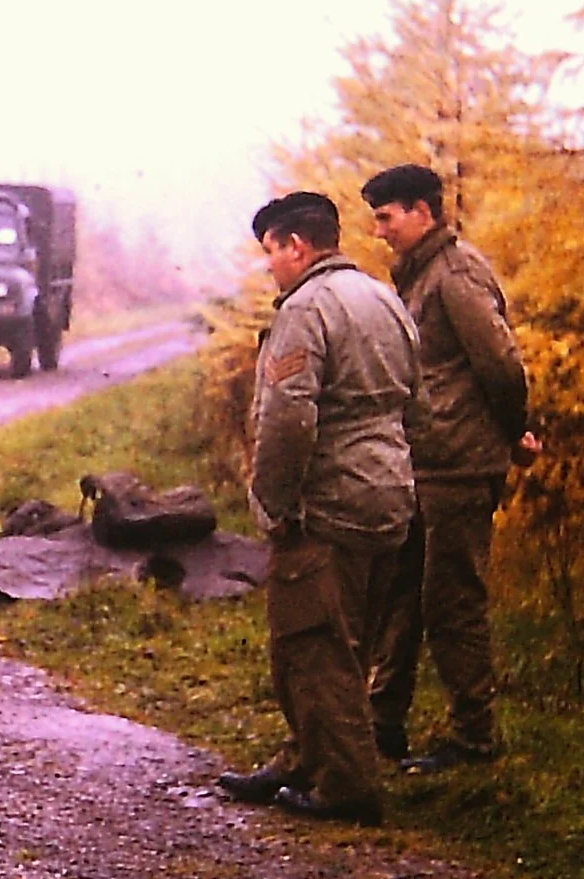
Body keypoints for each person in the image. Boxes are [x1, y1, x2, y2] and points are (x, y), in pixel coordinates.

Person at [217, 191, 419, 825]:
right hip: (389, 491)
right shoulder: (383, 297)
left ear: (296, 246)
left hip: (328, 501)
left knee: (313, 644)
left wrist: (273, 503)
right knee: (350, 637)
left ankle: (344, 785)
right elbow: (417, 391)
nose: (271, 266)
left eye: (272, 253)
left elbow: (288, 419)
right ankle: (305, 756)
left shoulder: (305, 309)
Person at [361, 164, 540, 773]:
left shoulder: (455, 273)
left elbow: (501, 364)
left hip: (460, 466)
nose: (380, 230)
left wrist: (516, 432)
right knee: (401, 594)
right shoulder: (422, 274)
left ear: (422, 211)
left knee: (452, 601)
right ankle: (382, 724)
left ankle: (474, 742)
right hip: (425, 464)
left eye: (387, 217)